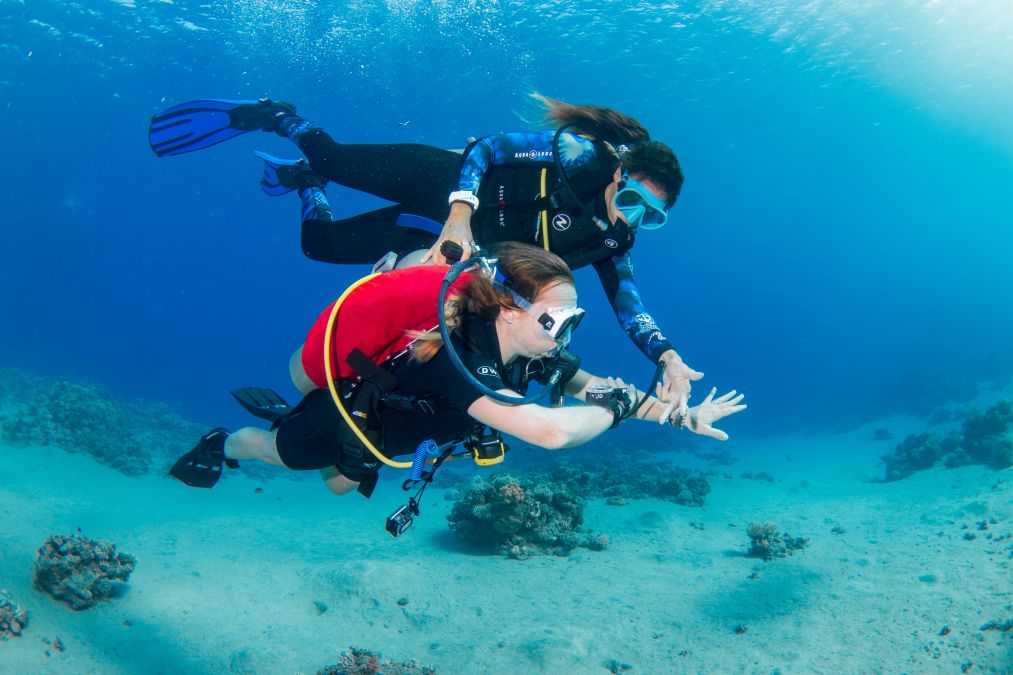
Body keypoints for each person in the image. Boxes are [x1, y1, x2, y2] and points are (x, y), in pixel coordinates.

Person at [149, 95, 703, 422]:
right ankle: (279, 115)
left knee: (317, 246)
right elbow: (488, 148)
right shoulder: (581, 157)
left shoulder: (613, 239)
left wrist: (668, 356)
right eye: (631, 200)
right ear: (618, 174)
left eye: (651, 217)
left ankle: (306, 187)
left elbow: (628, 303)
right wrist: (460, 213)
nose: (631, 219)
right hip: (446, 182)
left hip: (448, 239)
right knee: (334, 155)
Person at [168, 243, 745, 498]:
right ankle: (224, 441)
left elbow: (593, 386)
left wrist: (680, 418)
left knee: (342, 486)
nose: (565, 335)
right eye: (555, 319)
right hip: (348, 421)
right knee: (275, 452)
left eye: (574, 320)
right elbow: (550, 432)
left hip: (390, 438)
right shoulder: (456, 359)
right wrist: (619, 406)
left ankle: (325, 451)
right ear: (508, 307)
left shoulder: (534, 352)